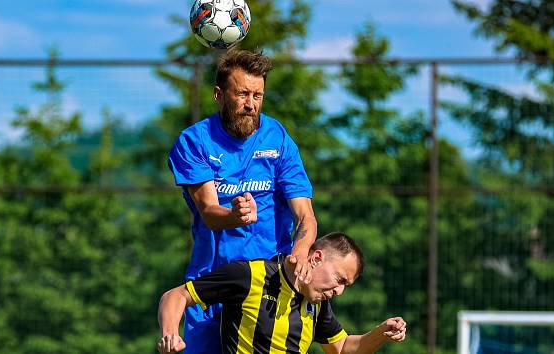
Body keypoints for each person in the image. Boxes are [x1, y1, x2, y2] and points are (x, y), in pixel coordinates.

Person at [167, 49, 318, 354]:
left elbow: (306, 216)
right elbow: (209, 212)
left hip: (267, 290)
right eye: (242, 94)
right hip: (209, 286)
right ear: (218, 95)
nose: (251, 104)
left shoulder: (278, 138)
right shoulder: (194, 141)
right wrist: (235, 215)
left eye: (257, 96)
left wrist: (300, 252)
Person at [157, 232, 407, 354]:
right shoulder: (250, 275)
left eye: (346, 286)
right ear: (316, 258)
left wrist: (380, 333)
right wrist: (170, 334)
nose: (339, 291)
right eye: (339, 279)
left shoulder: (316, 303)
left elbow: (341, 349)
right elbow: (176, 296)